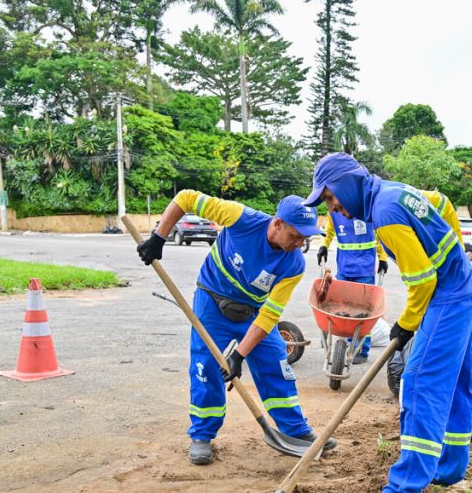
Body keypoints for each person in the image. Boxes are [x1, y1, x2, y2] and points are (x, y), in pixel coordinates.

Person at [304, 152, 472, 493]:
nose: (333, 208)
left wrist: (406, 325)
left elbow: (423, 280)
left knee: (419, 383)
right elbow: (443, 204)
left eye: (331, 198)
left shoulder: (384, 215)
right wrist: (457, 254)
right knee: (456, 384)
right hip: (464, 288)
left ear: (348, 184)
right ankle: (449, 468)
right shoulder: (395, 191)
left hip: (447, 296)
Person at [136, 192, 333, 465]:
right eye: (296, 235)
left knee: (277, 367)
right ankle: (202, 435)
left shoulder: (294, 264)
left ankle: (296, 431)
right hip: (212, 301)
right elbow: (186, 198)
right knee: (206, 367)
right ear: (277, 224)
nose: (300, 243)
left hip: (253, 313)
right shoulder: (240, 217)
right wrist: (159, 237)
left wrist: (239, 354)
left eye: (305, 238)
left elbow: (269, 315)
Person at [317, 211, 388, 364]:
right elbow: (329, 231)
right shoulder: (334, 213)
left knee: (364, 312)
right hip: (344, 268)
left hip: (365, 269)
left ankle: (362, 350)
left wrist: (383, 257)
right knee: (344, 310)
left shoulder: (366, 211)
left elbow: (377, 235)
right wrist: (323, 246)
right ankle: (348, 342)